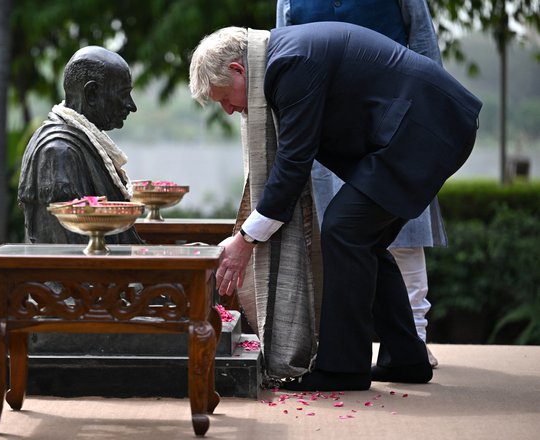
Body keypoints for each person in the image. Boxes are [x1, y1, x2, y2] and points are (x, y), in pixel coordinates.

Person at [189, 23, 481, 391]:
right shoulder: (282, 57)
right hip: (422, 125)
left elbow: (294, 161)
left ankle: (344, 367)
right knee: (363, 240)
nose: (229, 111)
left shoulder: (289, 63)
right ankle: (406, 358)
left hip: (427, 125)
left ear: (238, 69)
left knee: (345, 230)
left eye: (224, 98)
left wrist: (245, 240)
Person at [275, 0, 445, 367]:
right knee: (338, 239)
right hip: (332, 132)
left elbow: (425, 47)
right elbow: (283, 59)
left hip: (401, 119)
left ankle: (414, 338)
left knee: (404, 236)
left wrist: (430, 120)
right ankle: (343, 345)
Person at [18, 46, 142, 245]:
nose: (131, 105)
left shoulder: (82, 143)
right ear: (91, 93)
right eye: (123, 94)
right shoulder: (58, 152)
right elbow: (73, 256)